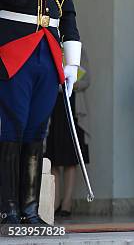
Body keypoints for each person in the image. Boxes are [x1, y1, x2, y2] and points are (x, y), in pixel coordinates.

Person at [0, 0, 81, 225]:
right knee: (11, 127)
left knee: (37, 130)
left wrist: (72, 62)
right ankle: (8, 210)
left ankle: (31, 212)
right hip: (13, 49)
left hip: (47, 51)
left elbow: (67, 10)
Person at [46, 48, 91, 218]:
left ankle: (67, 202)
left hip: (73, 107)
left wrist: (70, 82)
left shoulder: (79, 50)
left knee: (71, 158)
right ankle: (56, 201)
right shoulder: (50, 47)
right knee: (54, 158)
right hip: (53, 108)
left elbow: (86, 80)